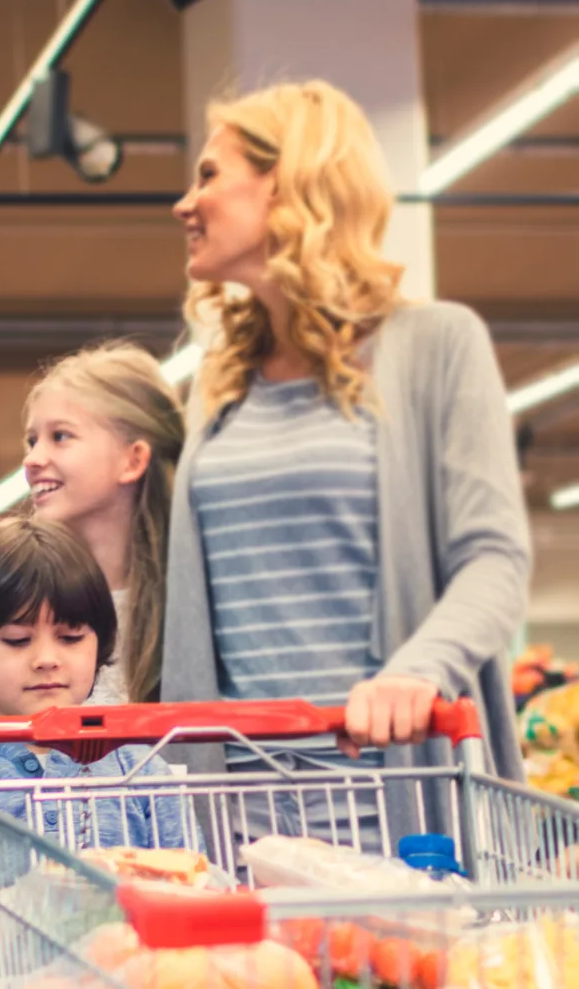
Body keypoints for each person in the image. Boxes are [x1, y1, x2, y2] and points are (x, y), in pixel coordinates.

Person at [161, 80, 532, 834]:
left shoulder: (435, 345)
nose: (183, 204)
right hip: (241, 817)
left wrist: (418, 670)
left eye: (208, 175)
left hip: (398, 808)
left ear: (289, 180)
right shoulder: (218, 385)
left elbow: (494, 560)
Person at [0, 517, 194, 988]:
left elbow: (199, 900)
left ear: (100, 643)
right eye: (17, 639)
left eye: (70, 637)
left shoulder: (143, 768)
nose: (46, 657)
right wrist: (3, 916)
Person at [20, 342, 185, 704]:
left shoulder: (187, 604)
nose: (32, 458)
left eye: (60, 436)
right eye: (31, 440)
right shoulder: (22, 600)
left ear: (132, 460)